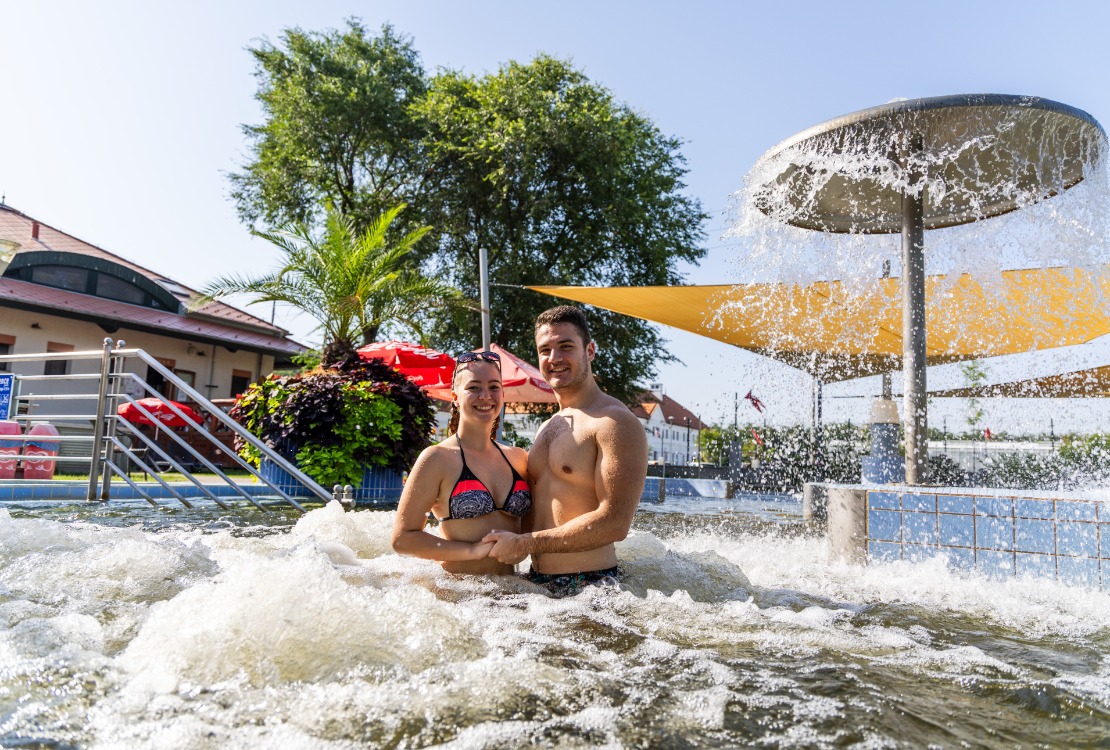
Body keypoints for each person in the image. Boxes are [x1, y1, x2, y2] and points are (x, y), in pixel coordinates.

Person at [482, 306, 648, 595]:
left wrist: (527, 543)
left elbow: (615, 523)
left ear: (591, 351)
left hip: (591, 587)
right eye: (545, 350)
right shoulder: (548, 426)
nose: (554, 358)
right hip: (536, 583)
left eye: (566, 347)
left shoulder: (615, 422)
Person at [391, 350, 531, 575]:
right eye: (474, 387)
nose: (486, 396)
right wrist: (472, 550)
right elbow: (402, 539)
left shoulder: (518, 458)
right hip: (459, 593)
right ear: (455, 398)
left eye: (494, 387)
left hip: (511, 591)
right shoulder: (437, 458)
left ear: (503, 394)